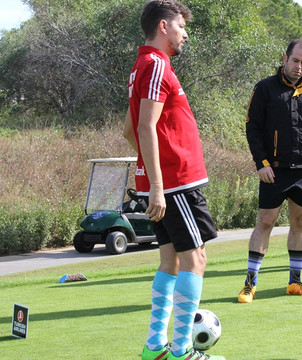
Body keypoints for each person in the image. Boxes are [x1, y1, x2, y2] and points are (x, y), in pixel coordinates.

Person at [122, 1, 224, 359]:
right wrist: (160, 183)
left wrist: (152, 177)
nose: (185, 33)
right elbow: (143, 127)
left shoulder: (145, 66)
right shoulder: (154, 64)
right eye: (181, 26)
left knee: (172, 262)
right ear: (163, 26)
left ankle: (155, 349)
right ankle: (181, 352)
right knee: (196, 259)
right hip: (177, 184)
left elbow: (128, 130)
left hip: (169, 183)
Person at [239, 39, 302, 303]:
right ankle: (250, 285)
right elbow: (252, 128)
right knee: (266, 222)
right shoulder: (265, 88)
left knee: (300, 223)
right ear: (285, 58)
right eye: (295, 60)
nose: (299, 66)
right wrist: (262, 163)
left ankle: (295, 282)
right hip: (274, 170)